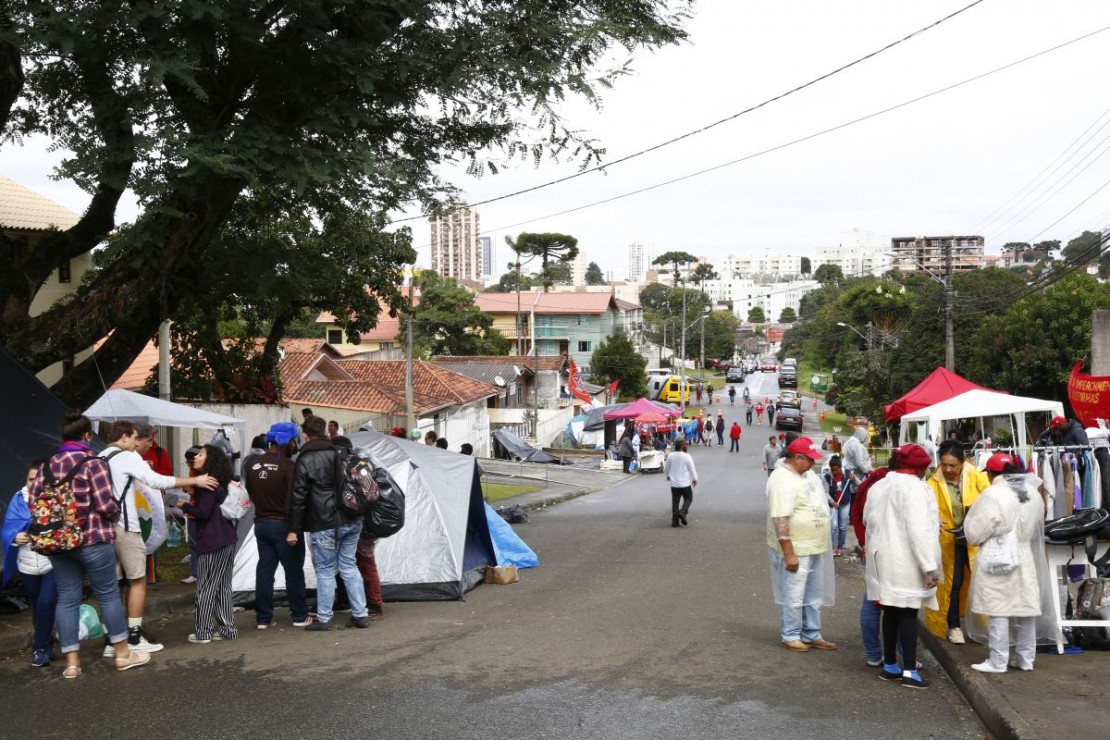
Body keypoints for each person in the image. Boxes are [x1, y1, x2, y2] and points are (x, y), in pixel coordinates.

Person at [33, 409, 150, 677]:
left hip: (58, 543)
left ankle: (72, 663)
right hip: (93, 540)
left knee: (67, 599)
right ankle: (122, 654)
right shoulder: (92, 463)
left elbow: (34, 504)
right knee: (107, 594)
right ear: (86, 435)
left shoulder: (46, 466)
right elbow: (107, 505)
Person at [100, 421, 218, 655]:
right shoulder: (127, 455)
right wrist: (194, 480)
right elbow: (157, 481)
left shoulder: (101, 455)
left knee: (112, 586)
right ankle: (133, 637)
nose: (138, 443)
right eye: (136, 438)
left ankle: (111, 641)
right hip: (126, 526)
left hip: (104, 529)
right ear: (124, 437)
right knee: (137, 580)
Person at [963, 453, 1055, 673]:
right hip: (1024, 554)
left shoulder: (993, 494)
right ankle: (1025, 659)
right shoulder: (1032, 493)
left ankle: (998, 660)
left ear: (993, 473)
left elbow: (976, 532)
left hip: (999, 555)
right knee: (1025, 607)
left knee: (998, 608)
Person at [863, 443, 939, 689]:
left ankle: (890, 666)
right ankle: (909, 670)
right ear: (920, 469)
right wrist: (929, 565)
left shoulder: (879, 484)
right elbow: (918, 530)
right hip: (905, 559)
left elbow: (867, 519)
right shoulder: (916, 489)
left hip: (881, 557)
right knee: (907, 612)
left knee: (891, 611)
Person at [288, 422, 369, 631]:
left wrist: (293, 529)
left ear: (305, 436)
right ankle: (361, 614)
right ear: (325, 432)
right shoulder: (341, 453)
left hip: (324, 521)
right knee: (349, 566)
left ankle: (324, 618)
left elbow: (298, 497)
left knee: (325, 571)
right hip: (352, 518)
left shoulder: (305, 459)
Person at [766, 437, 836, 652]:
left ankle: (811, 632)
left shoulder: (806, 474)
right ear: (796, 458)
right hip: (796, 547)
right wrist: (789, 553)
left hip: (814, 545)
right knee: (794, 593)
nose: (812, 463)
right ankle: (791, 634)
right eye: (809, 459)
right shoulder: (781, 479)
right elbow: (780, 519)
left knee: (813, 593)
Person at [243, 422, 311, 629]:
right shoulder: (289, 466)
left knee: (265, 571)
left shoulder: (252, 465)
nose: (294, 445)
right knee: (293, 571)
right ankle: (299, 615)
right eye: (293, 441)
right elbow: (295, 499)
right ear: (286, 441)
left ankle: (263, 618)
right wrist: (294, 529)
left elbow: (250, 494)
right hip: (284, 525)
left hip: (261, 524)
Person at [925, 439, 989, 643]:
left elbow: (990, 500)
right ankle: (954, 626)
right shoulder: (932, 483)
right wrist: (933, 519)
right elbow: (925, 509)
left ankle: (986, 627)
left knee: (982, 583)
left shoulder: (977, 477)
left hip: (975, 539)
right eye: (944, 464)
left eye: (953, 465)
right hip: (949, 540)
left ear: (962, 462)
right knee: (952, 584)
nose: (948, 469)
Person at [180, 445, 239, 644]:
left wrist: (185, 505)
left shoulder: (206, 483)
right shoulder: (219, 480)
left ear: (209, 459)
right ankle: (227, 629)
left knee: (205, 586)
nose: (197, 457)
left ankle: (203, 631)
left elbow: (203, 513)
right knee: (223, 586)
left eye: (201, 454)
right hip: (227, 536)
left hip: (212, 539)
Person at [2, 460, 57, 667]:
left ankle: (39, 647)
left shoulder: (55, 500)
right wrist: (15, 537)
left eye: (38, 479)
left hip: (51, 562)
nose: (34, 483)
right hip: (26, 564)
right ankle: (47, 644)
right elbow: (7, 528)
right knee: (37, 606)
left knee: (46, 603)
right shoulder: (18, 499)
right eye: (30, 479)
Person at [849, 457, 898, 668]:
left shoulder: (869, 483)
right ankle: (897, 652)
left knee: (871, 601)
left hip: (869, 549)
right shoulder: (888, 487)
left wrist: (863, 541)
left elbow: (856, 513)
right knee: (894, 604)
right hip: (885, 550)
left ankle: (874, 653)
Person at [180, 444, 203, 585]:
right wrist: (187, 488)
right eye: (187, 462)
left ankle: (204, 572)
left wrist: (195, 491)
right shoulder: (192, 472)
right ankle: (195, 573)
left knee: (204, 545)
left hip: (202, 513)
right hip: (192, 512)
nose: (189, 465)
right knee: (193, 544)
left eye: (190, 462)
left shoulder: (206, 473)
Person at [823, 455, 854, 557]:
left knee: (842, 527)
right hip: (833, 505)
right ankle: (831, 548)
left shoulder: (847, 474)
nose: (835, 472)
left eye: (837, 470)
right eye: (833, 470)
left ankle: (840, 547)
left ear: (841, 467)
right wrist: (832, 502)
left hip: (845, 503)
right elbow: (826, 493)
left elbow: (859, 485)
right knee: (833, 526)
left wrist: (854, 479)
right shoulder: (827, 477)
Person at [663, 440, 697, 527]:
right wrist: (695, 479)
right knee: (689, 499)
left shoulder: (670, 455)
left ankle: (675, 521)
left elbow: (666, 468)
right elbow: (692, 468)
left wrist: (667, 475)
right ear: (682, 446)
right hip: (685, 483)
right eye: (686, 444)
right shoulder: (687, 456)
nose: (687, 445)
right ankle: (682, 512)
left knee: (675, 502)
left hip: (674, 484)